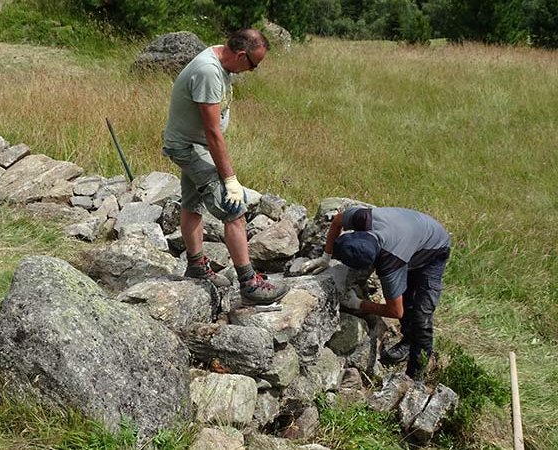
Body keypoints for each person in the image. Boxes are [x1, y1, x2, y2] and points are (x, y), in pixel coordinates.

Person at [162, 29, 289, 306]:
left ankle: (196, 266)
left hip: (196, 145)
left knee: (192, 203)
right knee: (234, 209)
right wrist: (230, 179)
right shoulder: (209, 72)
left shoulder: (222, 59)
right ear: (241, 55)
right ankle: (250, 284)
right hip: (191, 147)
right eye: (253, 65)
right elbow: (212, 133)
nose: (252, 71)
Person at [302, 206, 451, 378]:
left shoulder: (391, 262)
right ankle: (408, 341)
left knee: (421, 314)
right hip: (410, 234)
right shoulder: (362, 218)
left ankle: (416, 375)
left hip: (434, 248)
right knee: (406, 297)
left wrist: (358, 304)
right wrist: (325, 257)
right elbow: (336, 221)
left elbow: (395, 311)